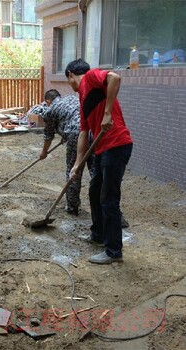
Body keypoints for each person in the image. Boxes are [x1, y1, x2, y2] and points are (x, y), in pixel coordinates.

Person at [65, 58, 133, 264]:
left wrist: (107, 112)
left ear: (70, 75)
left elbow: (115, 78)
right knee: (95, 191)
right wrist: (77, 165)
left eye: (68, 80)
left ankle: (114, 251)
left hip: (117, 143)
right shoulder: (82, 100)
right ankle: (98, 235)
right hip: (103, 149)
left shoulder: (91, 77)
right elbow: (84, 133)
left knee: (108, 198)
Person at [39, 89, 94, 216]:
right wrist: (65, 134)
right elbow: (69, 117)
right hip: (93, 131)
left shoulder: (51, 109)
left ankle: (72, 206)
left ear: (48, 101)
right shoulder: (71, 99)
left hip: (76, 134)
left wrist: (44, 153)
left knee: (74, 170)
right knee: (96, 171)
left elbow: (48, 135)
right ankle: (104, 206)